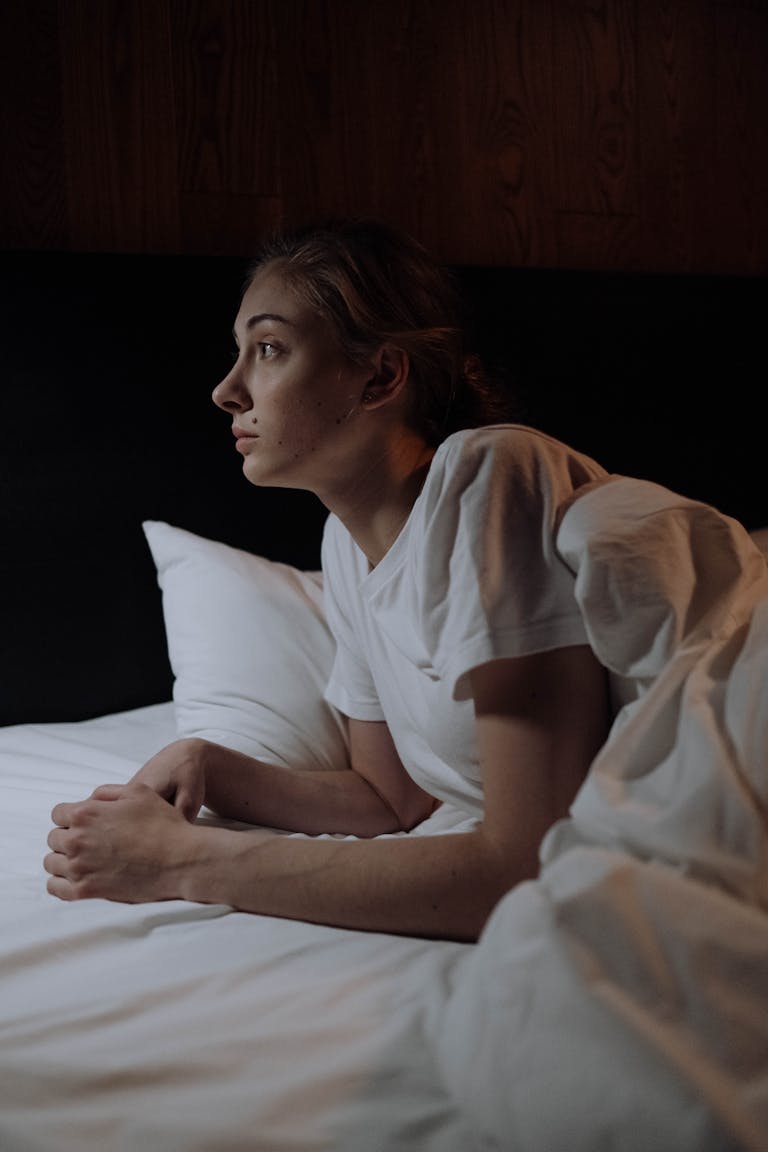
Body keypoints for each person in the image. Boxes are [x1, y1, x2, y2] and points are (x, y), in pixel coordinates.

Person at [44, 218, 612, 943]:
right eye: (239, 352)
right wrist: (210, 764)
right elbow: (392, 799)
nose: (227, 389)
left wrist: (183, 862)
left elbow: (526, 872)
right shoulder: (349, 544)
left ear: (380, 375)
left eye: (270, 349)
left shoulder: (490, 477)